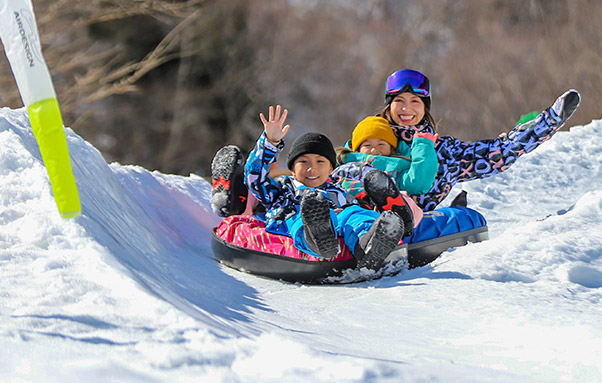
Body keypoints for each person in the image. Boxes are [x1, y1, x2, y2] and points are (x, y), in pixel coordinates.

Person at [376, 68, 580, 211]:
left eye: (415, 101)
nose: (406, 109)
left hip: (407, 223)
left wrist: (549, 121)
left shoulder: (446, 152)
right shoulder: (371, 138)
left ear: (424, 107)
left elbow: (501, 151)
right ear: (389, 105)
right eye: (399, 101)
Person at [242, 105, 410, 271]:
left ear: (331, 169)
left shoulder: (337, 188)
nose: (312, 168)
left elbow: (356, 191)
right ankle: (316, 238)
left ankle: (368, 246)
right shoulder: (282, 188)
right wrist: (270, 143)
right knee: (299, 218)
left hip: (337, 216)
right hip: (297, 215)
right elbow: (254, 177)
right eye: (303, 161)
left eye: (320, 161)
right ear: (293, 169)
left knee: (355, 214)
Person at [330, 115, 438, 230]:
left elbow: (418, 182)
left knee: (404, 199)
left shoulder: (397, 168)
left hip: (386, 211)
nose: (374, 150)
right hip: (352, 206)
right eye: (367, 145)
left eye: (381, 144)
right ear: (357, 149)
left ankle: (397, 215)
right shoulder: (344, 163)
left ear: (392, 148)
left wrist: (423, 145)